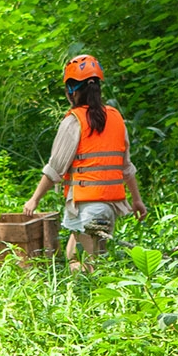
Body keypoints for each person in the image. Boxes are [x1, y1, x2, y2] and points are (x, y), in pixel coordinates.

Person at [23, 54, 146, 268]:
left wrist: (34, 199)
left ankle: (92, 291)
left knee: (86, 265)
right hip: (108, 207)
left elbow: (55, 168)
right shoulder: (115, 118)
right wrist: (137, 200)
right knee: (74, 255)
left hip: (88, 207)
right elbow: (126, 167)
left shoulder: (74, 121)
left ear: (72, 91)